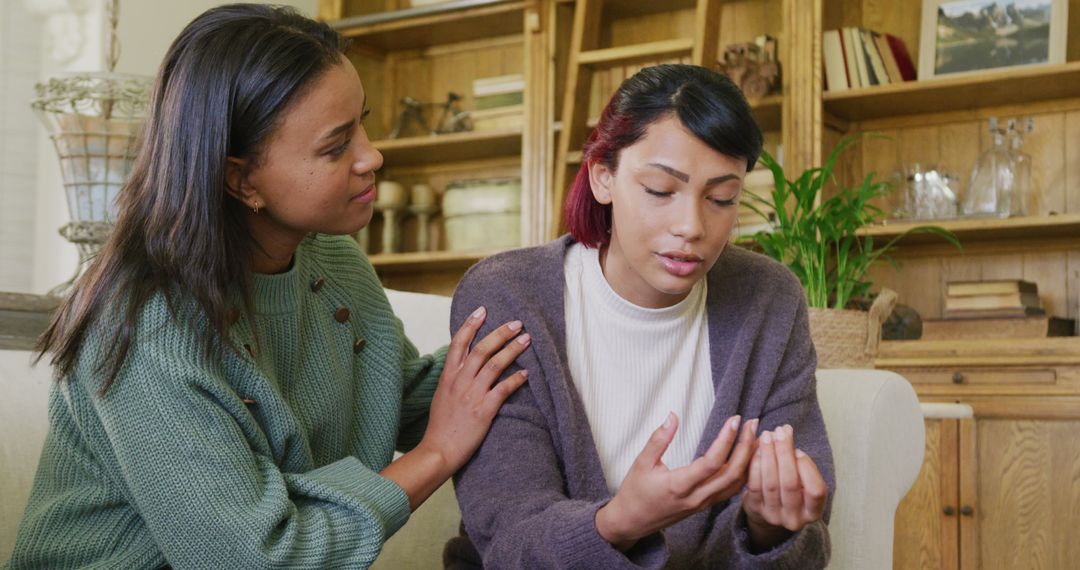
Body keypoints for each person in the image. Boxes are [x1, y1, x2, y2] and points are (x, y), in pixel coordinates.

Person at [6, 5, 529, 569]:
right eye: (335, 146)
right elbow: (258, 559)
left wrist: (551, 316)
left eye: (363, 123)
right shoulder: (146, 323)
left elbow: (397, 395)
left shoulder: (335, 262)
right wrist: (437, 453)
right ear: (239, 178)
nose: (372, 155)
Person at [445, 64, 834, 568]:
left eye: (722, 198)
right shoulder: (510, 296)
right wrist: (619, 522)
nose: (691, 226)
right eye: (659, 190)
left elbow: (808, 544)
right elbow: (509, 540)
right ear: (603, 176)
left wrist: (767, 529)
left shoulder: (768, 300)